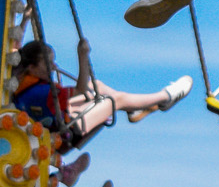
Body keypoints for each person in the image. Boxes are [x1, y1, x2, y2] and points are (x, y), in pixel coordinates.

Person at [10, 41, 191, 150]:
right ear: (32, 67)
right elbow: (80, 91)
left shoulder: (24, 81)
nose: (55, 67)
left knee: (98, 86)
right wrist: (83, 56)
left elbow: (14, 47)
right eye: (49, 64)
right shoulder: (42, 92)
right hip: (68, 132)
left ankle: (134, 110)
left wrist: (26, 19)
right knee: (115, 101)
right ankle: (163, 97)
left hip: (59, 123)